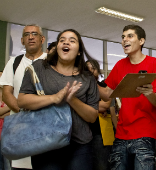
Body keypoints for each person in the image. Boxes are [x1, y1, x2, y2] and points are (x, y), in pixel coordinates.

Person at [17, 29, 99, 170]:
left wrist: (71, 99)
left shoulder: (88, 78)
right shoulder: (39, 68)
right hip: (45, 143)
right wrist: (54, 98)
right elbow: (22, 100)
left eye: (72, 40)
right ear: (58, 47)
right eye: (62, 40)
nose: (66, 42)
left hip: (80, 145)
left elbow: (92, 117)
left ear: (79, 51)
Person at [99, 24, 156, 170]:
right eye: (122, 37)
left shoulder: (154, 63)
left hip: (145, 132)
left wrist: (149, 93)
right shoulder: (119, 65)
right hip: (122, 133)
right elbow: (107, 94)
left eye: (129, 36)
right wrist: (89, 80)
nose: (124, 40)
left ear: (141, 41)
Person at [0, 24, 47, 170]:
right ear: (22, 40)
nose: (30, 37)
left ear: (42, 39)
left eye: (34, 34)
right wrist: (23, 114)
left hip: (46, 129)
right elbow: (7, 94)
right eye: (27, 35)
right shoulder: (14, 62)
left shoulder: (51, 61)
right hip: (20, 130)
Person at [86, 59, 117, 170]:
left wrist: (84, 105)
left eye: (93, 68)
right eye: (87, 68)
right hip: (84, 133)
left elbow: (106, 105)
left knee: (102, 165)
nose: (90, 71)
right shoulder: (81, 87)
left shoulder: (104, 87)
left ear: (98, 71)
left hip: (100, 133)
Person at [0, 71, 11, 170]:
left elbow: (13, 113)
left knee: (8, 165)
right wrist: (10, 107)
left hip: (8, 136)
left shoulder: (11, 95)